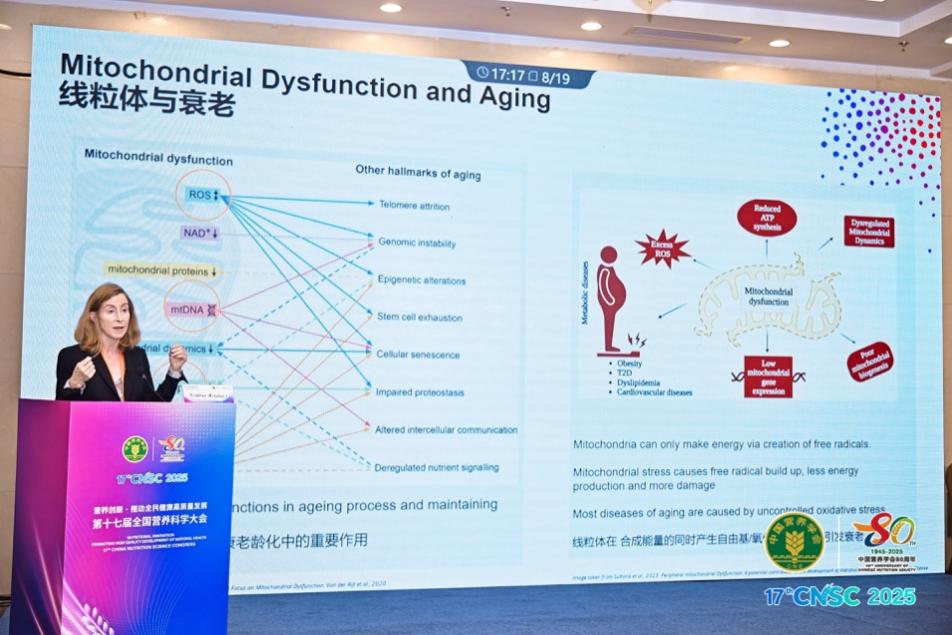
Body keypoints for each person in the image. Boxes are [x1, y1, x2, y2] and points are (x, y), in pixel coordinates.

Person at [56, 282, 187, 401]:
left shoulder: (137, 355)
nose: (120, 318)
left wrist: (174, 370)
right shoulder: (72, 356)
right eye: (111, 311)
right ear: (94, 316)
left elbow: (152, 407)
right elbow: (61, 412)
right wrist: (74, 384)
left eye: (124, 310)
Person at [597, 245, 627, 352]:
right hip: (609, 304)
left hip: (611, 304)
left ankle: (609, 345)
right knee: (609, 322)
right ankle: (608, 346)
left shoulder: (608, 268)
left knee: (610, 322)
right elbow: (602, 286)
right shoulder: (604, 269)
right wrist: (610, 300)